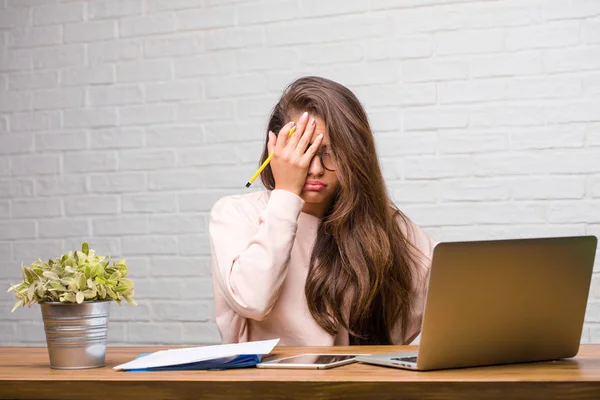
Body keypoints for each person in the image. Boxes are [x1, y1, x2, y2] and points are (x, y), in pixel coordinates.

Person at [209, 76, 436, 346]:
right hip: (266, 384)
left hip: (358, 381)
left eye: (330, 153)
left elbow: (442, 288)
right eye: (302, 149)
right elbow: (252, 300)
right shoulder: (235, 214)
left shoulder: (384, 222)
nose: (315, 168)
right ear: (275, 150)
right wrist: (286, 195)